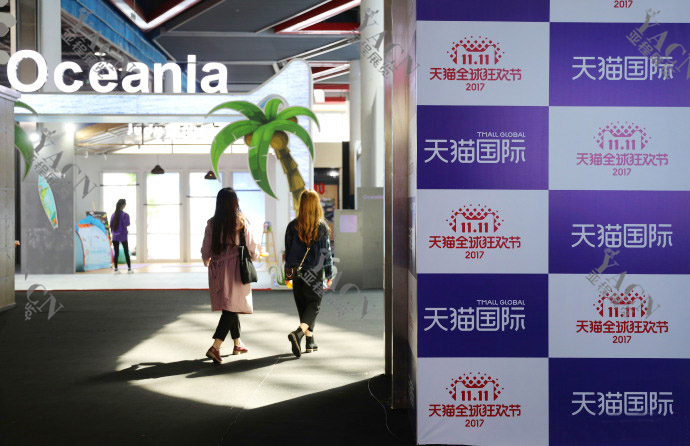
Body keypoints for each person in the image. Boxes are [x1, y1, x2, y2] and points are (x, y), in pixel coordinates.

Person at [201, 188, 261, 364]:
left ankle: (237, 343)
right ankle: (215, 346)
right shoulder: (241, 222)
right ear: (235, 202)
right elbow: (251, 246)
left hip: (217, 269)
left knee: (231, 304)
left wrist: (206, 259)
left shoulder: (212, 223)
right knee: (231, 307)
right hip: (235, 269)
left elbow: (206, 249)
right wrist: (256, 255)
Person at [285, 190, 334, 358]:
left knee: (303, 305)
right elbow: (326, 253)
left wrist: (288, 275)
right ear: (316, 205)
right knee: (314, 305)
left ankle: (309, 340)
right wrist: (329, 274)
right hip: (314, 273)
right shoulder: (321, 227)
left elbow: (288, 253)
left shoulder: (292, 226)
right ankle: (298, 333)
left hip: (297, 273)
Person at [110, 199, 132, 273]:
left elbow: (111, 225)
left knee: (116, 253)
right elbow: (127, 224)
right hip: (123, 236)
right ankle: (129, 269)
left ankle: (116, 269)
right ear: (123, 205)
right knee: (126, 252)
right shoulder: (125, 215)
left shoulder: (113, 215)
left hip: (115, 236)